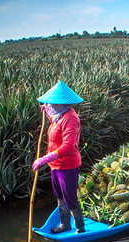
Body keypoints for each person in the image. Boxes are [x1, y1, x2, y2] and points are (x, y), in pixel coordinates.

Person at [32, 81, 85, 234]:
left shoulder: (71, 118)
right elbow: (57, 126)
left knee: (70, 198)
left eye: (53, 103)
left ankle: (80, 228)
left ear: (63, 104)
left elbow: (68, 146)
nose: (50, 105)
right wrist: (49, 113)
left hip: (67, 165)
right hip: (56, 165)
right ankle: (65, 224)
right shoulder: (59, 115)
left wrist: (44, 159)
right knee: (59, 195)